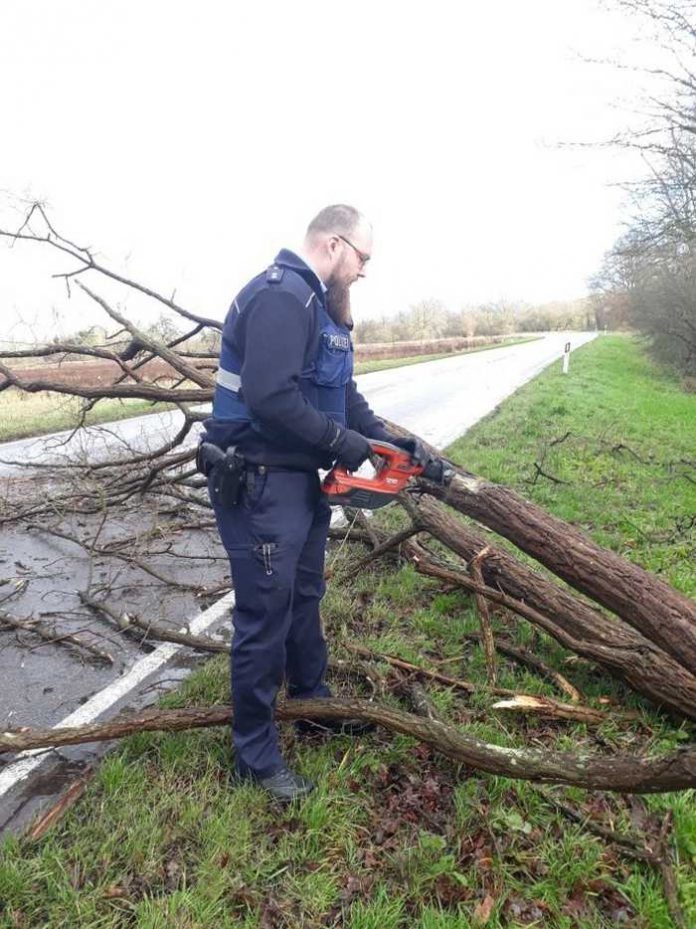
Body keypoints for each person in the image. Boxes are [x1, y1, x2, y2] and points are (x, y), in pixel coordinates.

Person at [200, 205, 417, 801]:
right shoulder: (280, 297)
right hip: (260, 482)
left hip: (296, 481)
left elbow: (342, 397)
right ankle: (255, 754)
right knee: (264, 615)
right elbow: (270, 398)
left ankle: (312, 704)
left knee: (303, 596)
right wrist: (342, 445)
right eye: (364, 258)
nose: (365, 270)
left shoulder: (319, 309)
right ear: (335, 244)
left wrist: (390, 440)